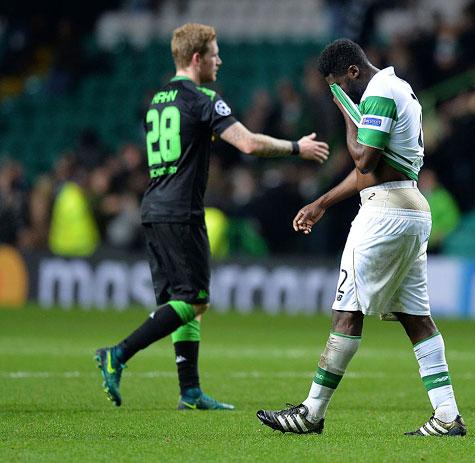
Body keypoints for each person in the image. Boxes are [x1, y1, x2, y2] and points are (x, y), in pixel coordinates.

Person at [94, 23, 329, 410]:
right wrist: (295, 147)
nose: (220, 60)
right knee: (195, 300)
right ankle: (116, 354)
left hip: (154, 207)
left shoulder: (157, 101)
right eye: (215, 53)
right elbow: (249, 143)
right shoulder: (202, 98)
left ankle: (189, 391)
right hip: (180, 210)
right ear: (197, 58)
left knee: (181, 301)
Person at [256, 39, 466, 437]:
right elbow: (372, 167)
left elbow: (363, 159)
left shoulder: (379, 93)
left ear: (352, 71)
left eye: (339, 83)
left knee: (347, 312)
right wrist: (322, 202)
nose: (339, 92)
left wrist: (347, 111)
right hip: (409, 206)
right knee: (417, 319)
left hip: (384, 214)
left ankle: (311, 413)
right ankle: (447, 415)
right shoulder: (399, 89)